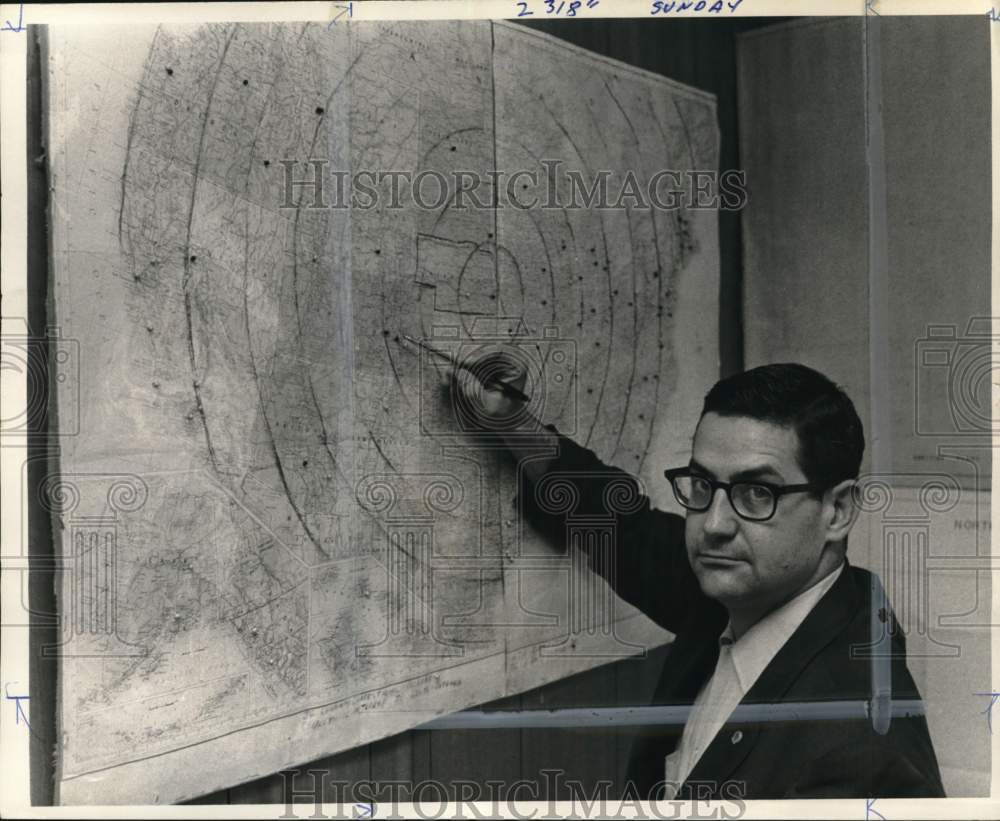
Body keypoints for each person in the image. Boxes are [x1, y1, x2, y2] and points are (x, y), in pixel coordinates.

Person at [451, 357, 945, 799]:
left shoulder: (858, 754)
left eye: (757, 493)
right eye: (703, 485)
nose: (713, 525)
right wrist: (511, 421)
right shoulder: (750, 589)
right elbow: (623, 528)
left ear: (837, 509)